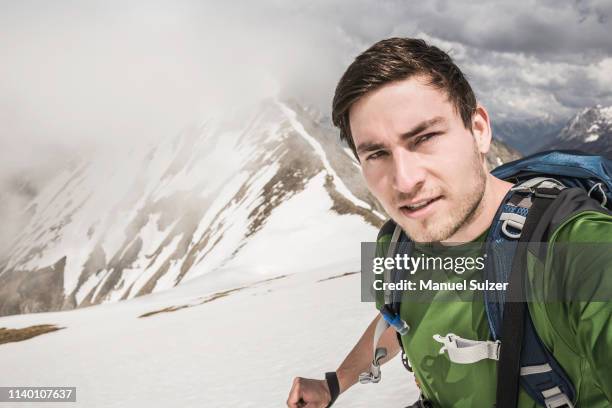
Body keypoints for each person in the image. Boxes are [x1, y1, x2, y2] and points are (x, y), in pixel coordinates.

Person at [286, 37, 612, 408]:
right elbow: (396, 317)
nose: (405, 181)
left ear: (479, 130)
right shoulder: (395, 243)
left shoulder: (578, 250)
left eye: (425, 137)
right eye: (376, 153)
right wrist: (334, 384)